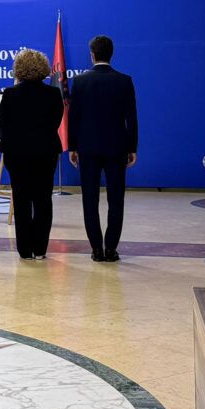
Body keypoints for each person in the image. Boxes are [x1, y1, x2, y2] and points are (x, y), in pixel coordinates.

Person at [68, 35, 138, 263]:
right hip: (116, 147)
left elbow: (74, 118)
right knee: (116, 199)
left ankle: (96, 248)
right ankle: (111, 248)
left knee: (90, 199)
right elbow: (131, 119)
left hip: (87, 148)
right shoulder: (124, 81)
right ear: (111, 54)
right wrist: (132, 147)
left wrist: (72, 146)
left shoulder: (80, 82)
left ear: (92, 55)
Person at [0, 50, 64, 260]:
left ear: (19, 69)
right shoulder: (53, 94)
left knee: (21, 200)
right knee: (43, 200)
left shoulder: (10, 94)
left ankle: (25, 250)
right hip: (46, 152)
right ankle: (40, 249)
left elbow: (3, 124)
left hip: (17, 154)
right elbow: (56, 121)